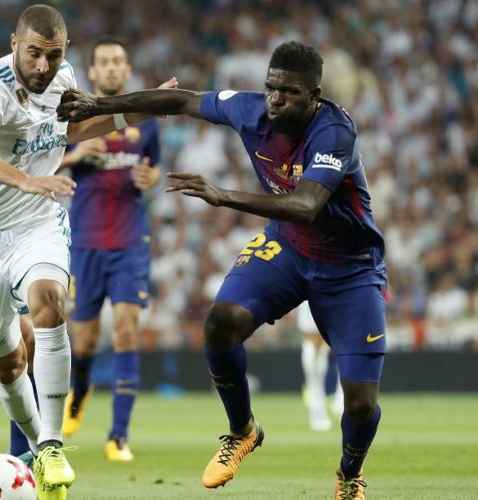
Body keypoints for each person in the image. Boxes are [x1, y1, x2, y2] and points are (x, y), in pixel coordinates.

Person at [58, 41, 387, 500]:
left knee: (361, 403)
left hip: (349, 268)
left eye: (288, 92)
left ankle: (349, 476)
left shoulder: (334, 132)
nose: (275, 100)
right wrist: (100, 105)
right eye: (271, 88)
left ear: (315, 96)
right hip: (288, 249)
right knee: (220, 322)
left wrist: (222, 195)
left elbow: (306, 205)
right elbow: (181, 101)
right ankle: (243, 430)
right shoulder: (249, 109)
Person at [0, 5, 173, 499]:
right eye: (34, 54)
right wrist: (26, 179)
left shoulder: (63, 77)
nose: (43, 66)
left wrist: (138, 110)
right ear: (13, 44)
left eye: (54, 54)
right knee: (7, 364)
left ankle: (51, 444)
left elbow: (68, 130)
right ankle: (36, 447)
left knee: (49, 302)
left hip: (35, 222)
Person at [58, 36, 162, 462]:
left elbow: (154, 167)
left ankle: (118, 435)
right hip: (85, 241)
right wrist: (76, 153)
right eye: (104, 61)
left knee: (125, 330)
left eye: (119, 60)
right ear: (92, 71)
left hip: (129, 241)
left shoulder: (145, 119)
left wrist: (154, 179)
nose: (113, 67)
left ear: (128, 69)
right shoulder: (74, 118)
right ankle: (80, 390)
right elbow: (40, 163)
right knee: (83, 342)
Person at [297, 301, 344, 431]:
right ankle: (317, 409)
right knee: (312, 348)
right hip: (311, 297)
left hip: (339, 298)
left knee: (346, 345)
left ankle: (342, 401)